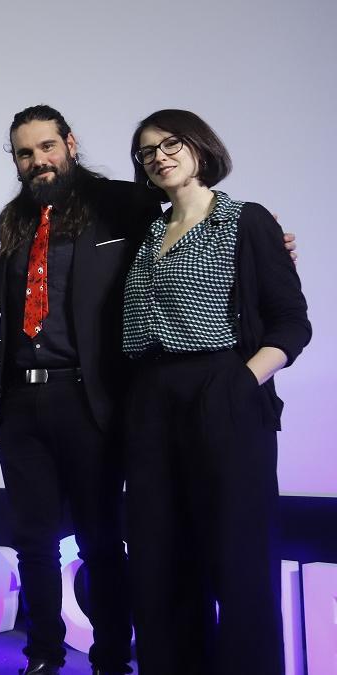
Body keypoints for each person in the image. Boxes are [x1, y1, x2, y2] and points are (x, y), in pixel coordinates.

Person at [0, 105, 299, 675]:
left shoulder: (124, 204)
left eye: (47, 147)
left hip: (147, 395)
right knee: (130, 555)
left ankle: (114, 658)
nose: (38, 160)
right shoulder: (23, 222)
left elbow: (279, 307)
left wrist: (268, 243)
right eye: (24, 153)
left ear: (70, 144)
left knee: (176, 551)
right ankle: (55, 656)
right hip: (89, 401)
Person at [121, 109, 310, 675]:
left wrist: (240, 381)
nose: (159, 156)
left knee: (238, 562)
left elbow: (291, 323)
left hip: (222, 391)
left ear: (200, 147)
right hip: (151, 398)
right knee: (160, 562)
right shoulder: (147, 230)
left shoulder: (244, 221)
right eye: (147, 151)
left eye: (170, 143)